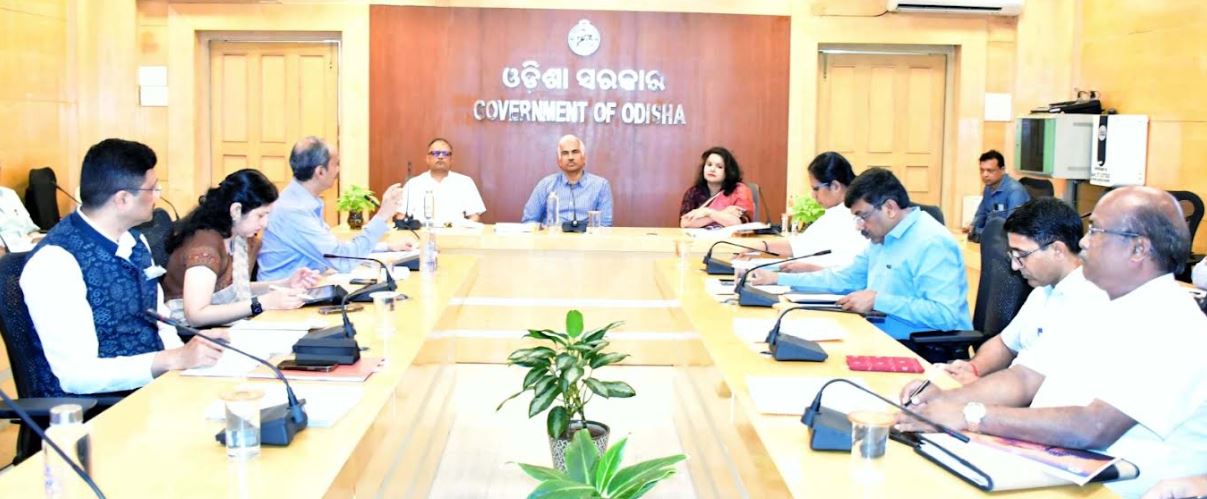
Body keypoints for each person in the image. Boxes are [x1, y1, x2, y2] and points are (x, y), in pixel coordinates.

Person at [898, 187, 1207, 498]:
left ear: (1138, 249)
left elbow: (1094, 427)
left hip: (1109, 488)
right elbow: (1026, 377)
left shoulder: (1173, 323)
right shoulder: (1099, 305)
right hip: (1050, 467)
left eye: (1097, 231)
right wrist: (947, 400)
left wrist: (971, 415)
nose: (1083, 242)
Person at [19, 138, 224, 395]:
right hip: (99, 409)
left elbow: (160, 321)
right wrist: (174, 359)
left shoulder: (135, 241)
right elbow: (77, 375)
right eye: (153, 189)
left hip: (156, 388)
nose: (158, 197)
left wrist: (188, 357)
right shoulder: (55, 263)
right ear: (123, 199)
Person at [747, 167, 971, 341]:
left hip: (921, 348)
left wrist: (878, 300)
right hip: (876, 334)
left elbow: (945, 314)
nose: (859, 226)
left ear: (890, 208)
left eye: (862, 216)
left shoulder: (932, 242)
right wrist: (777, 278)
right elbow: (843, 279)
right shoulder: (882, 237)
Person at [937, 198, 1108, 384]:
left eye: (1021, 255)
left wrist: (979, 388)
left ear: (1057, 250)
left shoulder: (1088, 303)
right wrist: (973, 368)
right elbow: (1005, 344)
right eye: (1012, 255)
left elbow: (1033, 385)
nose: (1014, 266)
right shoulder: (1043, 290)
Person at [162, 169, 321, 327]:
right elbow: (196, 315)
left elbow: (234, 290)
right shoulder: (205, 247)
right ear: (236, 210)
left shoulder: (236, 237)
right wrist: (262, 303)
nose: (265, 223)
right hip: (194, 336)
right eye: (260, 215)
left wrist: (286, 284)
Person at [258, 136, 408, 280]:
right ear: (320, 172)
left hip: (306, 290)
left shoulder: (302, 200)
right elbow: (343, 260)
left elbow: (335, 248)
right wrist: (382, 216)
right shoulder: (293, 210)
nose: (338, 170)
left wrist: (387, 247)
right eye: (336, 164)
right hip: (286, 299)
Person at [762, 152, 867, 269]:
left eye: (816, 189)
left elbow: (798, 247)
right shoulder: (839, 210)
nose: (813, 195)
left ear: (835, 186)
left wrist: (761, 246)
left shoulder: (847, 214)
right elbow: (801, 245)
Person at [521, 134, 614, 227]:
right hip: (552, 239)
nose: (570, 157)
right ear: (559, 161)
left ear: (584, 157)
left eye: (575, 152)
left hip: (586, 240)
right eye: (565, 153)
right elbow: (529, 221)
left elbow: (605, 226)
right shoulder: (545, 185)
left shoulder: (601, 185)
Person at [397, 138, 486, 227]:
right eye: (435, 153)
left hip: (456, 235)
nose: (440, 157)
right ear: (427, 159)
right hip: (421, 236)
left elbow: (475, 216)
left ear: (451, 159)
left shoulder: (465, 182)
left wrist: (463, 231)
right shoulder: (413, 184)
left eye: (445, 154)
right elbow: (401, 216)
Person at [678, 146, 754, 229]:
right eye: (709, 164)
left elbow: (740, 224)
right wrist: (723, 212)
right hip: (699, 240)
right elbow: (685, 223)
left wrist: (708, 212)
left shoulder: (739, 191)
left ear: (728, 171)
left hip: (730, 241)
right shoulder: (693, 192)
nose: (712, 169)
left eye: (719, 167)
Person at [963, 150, 1030, 241]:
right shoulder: (988, 188)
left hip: (1006, 242)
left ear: (1002, 170)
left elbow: (1011, 228)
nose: (984, 175)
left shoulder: (1015, 192)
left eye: (990, 171)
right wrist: (973, 226)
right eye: (982, 170)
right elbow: (982, 213)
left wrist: (978, 231)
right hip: (989, 238)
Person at [0, 167, 41, 253]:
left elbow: (31, 229)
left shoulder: (9, 194)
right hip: (7, 254)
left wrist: (41, 240)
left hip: (28, 246)